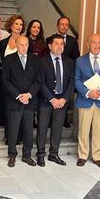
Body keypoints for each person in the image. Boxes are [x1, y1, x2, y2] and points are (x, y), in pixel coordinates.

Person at [74, 34, 100, 169]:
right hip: (85, 99)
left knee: (99, 130)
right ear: (88, 44)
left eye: (99, 42)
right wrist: (88, 93)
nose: (97, 45)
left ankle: (97, 157)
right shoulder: (80, 60)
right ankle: (82, 155)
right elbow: (76, 79)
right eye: (94, 43)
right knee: (83, 130)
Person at [2, 36, 42, 167]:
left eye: (26, 44)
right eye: (21, 45)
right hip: (15, 101)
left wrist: (29, 94)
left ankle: (27, 155)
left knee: (28, 130)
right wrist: (19, 95)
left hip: (30, 100)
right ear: (16, 45)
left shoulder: (36, 60)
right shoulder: (8, 59)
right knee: (13, 129)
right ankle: (12, 155)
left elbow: (38, 80)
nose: (24, 47)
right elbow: (6, 80)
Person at [36, 34, 75, 167]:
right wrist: (51, 99)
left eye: (61, 44)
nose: (59, 46)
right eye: (56, 43)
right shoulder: (41, 61)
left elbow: (71, 81)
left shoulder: (69, 62)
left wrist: (64, 98)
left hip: (62, 101)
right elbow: (40, 82)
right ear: (50, 46)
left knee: (57, 128)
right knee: (42, 128)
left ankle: (54, 154)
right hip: (46, 101)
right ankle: (40, 154)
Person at [0, 15, 25, 138]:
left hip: (21, 81)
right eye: (16, 24)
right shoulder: (3, 43)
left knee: (20, 109)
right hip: (7, 81)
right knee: (8, 108)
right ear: (11, 25)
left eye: (21, 24)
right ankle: (9, 135)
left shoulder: (25, 42)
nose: (19, 26)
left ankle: (19, 135)